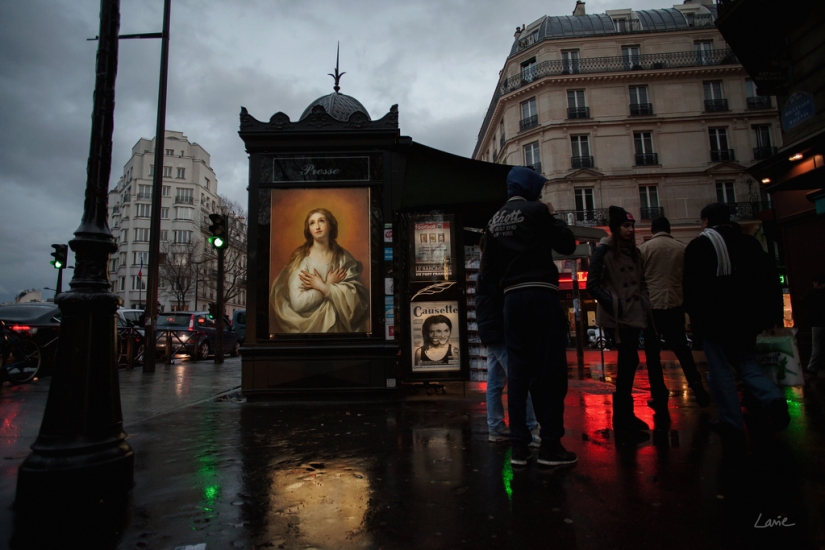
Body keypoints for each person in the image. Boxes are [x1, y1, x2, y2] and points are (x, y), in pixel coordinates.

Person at [480, 166, 577, 467]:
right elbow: (567, 244)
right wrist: (552, 214)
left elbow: (488, 276)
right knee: (550, 370)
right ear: (530, 188)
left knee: (518, 374)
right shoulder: (536, 211)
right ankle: (550, 444)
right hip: (540, 294)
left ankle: (519, 446)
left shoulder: (493, 222)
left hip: (511, 301)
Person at [683, 203, 789, 440]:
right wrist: (770, 315)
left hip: (716, 320)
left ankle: (732, 421)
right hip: (747, 319)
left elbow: (692, 289)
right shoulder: (749, 243)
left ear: (706, 221)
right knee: (747, 363)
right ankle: (773, 397)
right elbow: (768, 280)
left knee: (720, 370)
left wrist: (695, 321)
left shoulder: (701, 245)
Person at [587, 206, 656, 436]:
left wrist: (643, 301)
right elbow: (592, 284)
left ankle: (626, 416)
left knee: (630, 362)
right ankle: (623, 418)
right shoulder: (603, 251)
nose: (630, 230)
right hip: (617, 316)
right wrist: (614, 303)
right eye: (626, 226)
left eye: (632, 226)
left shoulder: (634, 252)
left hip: (634, 313)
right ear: (616, 228)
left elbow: (642, 281)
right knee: (629, 361)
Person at [638, 216, 712, 416]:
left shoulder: (644, 249)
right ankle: (697, 387)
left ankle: (660, 396)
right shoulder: (682, 248)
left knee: (653, 355)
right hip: (675, 304)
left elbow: (639, 279)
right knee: (682, 351)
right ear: (669, 229)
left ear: (652, 229)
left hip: (652, 307)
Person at [477, 234, 540, 447]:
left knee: (495, 382)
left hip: (491, 331)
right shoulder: (494, 270)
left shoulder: (485, 270)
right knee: (518, 376)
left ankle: (496, 427)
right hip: (501, 331)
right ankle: (531, 427)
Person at [270, 208, 369, 333]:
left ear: (330, 226)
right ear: (309, 230)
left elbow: (357, 299)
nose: (317, 226)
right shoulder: (301, 260)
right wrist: (327, 286)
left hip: (340, 333)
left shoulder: (343, 258)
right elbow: (298, 303)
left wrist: (324, 288)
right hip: (309, 331)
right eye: (312, 223)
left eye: (321, 221)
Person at [802, 274, 825, 376]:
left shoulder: (811, 293)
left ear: (816, 283)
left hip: (816, 323)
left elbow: (802, 303)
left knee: (816, 346)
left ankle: (812, 368)